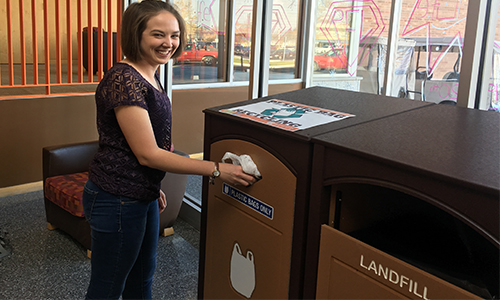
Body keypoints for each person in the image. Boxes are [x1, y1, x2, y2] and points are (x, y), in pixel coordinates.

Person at [82, 1, 257, 299]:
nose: (169, 43)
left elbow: (148, 143)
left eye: (174, 35)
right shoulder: (124, 79)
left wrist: (153, 184)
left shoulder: (150, 73)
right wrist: (217, 169)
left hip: (141, 195)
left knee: (141, 281)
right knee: (107, 289)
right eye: (158, 35)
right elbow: (147, 153)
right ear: (136, 35)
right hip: (117, 199)